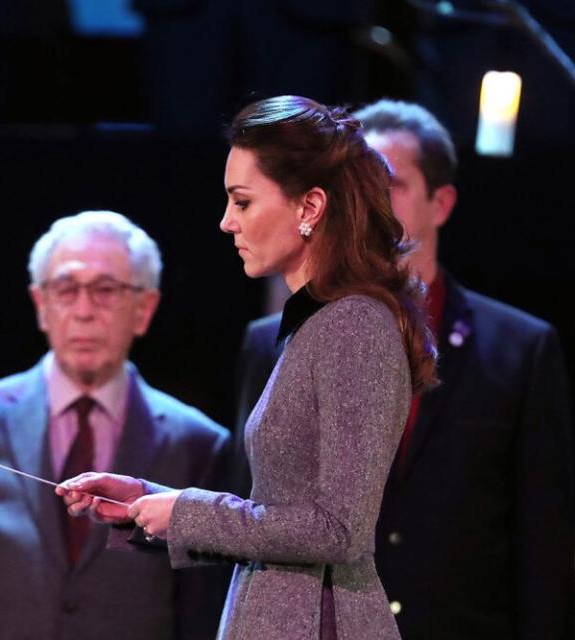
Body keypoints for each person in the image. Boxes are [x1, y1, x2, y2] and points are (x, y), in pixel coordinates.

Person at [58, 96, 437, 640]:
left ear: (309, 207)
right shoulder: (318, 324)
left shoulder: (355, 325)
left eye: (242, 202)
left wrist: (185, 511)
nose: (226, 222)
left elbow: (338, 530)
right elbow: (277, 521)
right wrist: (147, 502)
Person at [235, 99, 573, 639]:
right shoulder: (270, 341)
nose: (366, 200)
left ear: (441, 203)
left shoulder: (519, 349)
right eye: (353, 181)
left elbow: (545, 537)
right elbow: (251, 498)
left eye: (386, 182)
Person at [0, 210, 232, 640]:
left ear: (144, 309)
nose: (84, 311)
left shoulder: (199, 444)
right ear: (41, 305)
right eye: (66, 289)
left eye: (106, 290)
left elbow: (200, 611)